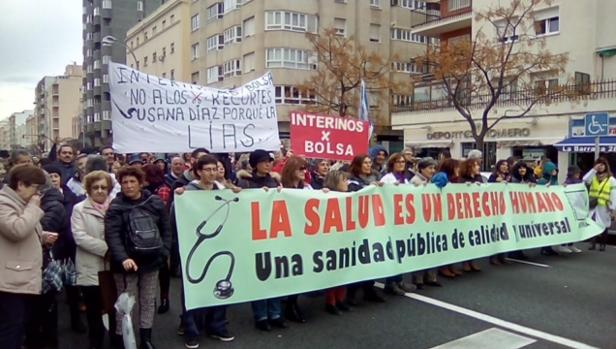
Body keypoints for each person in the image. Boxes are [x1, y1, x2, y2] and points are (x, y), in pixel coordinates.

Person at [105, 166, 172, 349]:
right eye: (124, 182)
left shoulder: (154, 202)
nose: (128, 186)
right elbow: (112, 235)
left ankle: (146, 339)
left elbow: (166, 229)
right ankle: (122, 340)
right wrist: (123, 258)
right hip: (127, 264)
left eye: (132, 181)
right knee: (126, 304)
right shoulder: (116, 207)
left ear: (141, 183)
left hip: (152, 260)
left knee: (148, 300)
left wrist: (164, 251)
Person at [173, 155, 236, 348]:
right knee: (194, 288)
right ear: (198, 171)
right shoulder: (187, 192)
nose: (212, 173)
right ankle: (192, 330)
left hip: (219, 246)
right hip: (195, 246)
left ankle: (217, 326)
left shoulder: (223, 191)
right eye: (207, 169)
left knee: (220, 285)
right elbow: (175, 220)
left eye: (214, 169)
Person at [237, 149, 286, 332]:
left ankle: (275, 313)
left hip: (274, 233)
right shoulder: (245, 182)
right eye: (264, 161)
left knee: (274, 275)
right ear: (255, 163)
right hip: (254, 236)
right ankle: (261, 315)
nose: (268, 164)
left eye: (270, 161)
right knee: (259, 276)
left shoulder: (274, 181)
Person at [0, 165, 48, 349]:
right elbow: (16, 229)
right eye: (36, 188)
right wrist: (34, 208)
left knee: (19, 326)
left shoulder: (20, 204)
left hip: (20, 276)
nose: (38, 194)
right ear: (20, 185)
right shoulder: (4, 202)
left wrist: (42, 237)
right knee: (11, 328)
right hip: (9, 280)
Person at [72, 171, 113, 349]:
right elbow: (79, 236)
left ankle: (117, 341)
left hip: (113, 267)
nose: (99, 191)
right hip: (90, 266)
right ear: (88, 189)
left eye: (104, 187)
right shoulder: (79, 209)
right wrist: (107, 249)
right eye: (95, 187)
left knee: (114, 308)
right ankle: (95, 342)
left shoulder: (116, 206)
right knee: (94, 310)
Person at [346, 155, 386, 303]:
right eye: (365, 163)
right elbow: (354, 193)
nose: (369, 165)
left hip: (372, 221)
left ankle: (369, 288)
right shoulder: (351, 179)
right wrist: (371, 188)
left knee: (370, 256)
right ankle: (351, 292)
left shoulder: (375, 178)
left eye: (370, 162)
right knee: (358, 257)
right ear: (358, 165)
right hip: (357, 222)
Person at [380, 153, 418, 295]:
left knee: (401, 252)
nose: (401, 164)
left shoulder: (405, 179)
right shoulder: (387, 178)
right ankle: (390, 283)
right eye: (398, 162)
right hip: (392, 221)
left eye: (403, 162)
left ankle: (399, 280)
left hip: (403, 220)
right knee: (393, 252)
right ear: (392, 164)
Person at [322, 170, 352, 315]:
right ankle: (331, 302)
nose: (347, 183)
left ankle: (341, 299)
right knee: (333, 271)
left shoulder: (350, 195)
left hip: (345, 238)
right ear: (335, 183)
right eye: (344, 180)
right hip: (331, 239)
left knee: (344, 270)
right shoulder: (325, 196)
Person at [410, 158, 443, 288]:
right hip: (419, 221)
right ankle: (418, 278)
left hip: (432, 219)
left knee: (432, 249)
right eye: (430, 168)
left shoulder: (432, 181)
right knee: (421, 249)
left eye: (434, 168)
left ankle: (431, 276)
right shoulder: (415, 181)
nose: (432, 171)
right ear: (421, 169)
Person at [435, 159, 464, 278]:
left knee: (451, 241)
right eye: (457, 167)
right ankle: (443, 267)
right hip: (442, 213)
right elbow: (436, 191)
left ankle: (450, 265)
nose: (459, 169)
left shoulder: (454, 178)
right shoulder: (442, 177)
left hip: (451, 213)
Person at [583, 158, 616, 251]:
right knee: (592, 224)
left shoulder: (611, 179)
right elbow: (585, 179)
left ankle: (602, 244)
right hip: (593, 205)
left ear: (606, 166)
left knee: (604, 225)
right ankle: (592, 243)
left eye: (603, 164)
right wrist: (593, 170)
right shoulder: (593, 177)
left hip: (604, 206)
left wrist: (613, 209)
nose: (601, 166)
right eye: (599, 164)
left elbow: (614, 195)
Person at [458, 159, 483, 271]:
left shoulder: (479, 178)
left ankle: (472, 261)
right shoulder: (462, 180)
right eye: (475, 165)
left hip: (476, 213)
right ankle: (465, 262)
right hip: (465, 214)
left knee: (474, 238)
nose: (478, 167)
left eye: (478, 165)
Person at [558, 166, 583, 254]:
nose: (578, 175)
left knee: (574, 227)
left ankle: (571, 244)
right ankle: (563, 245)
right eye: (577, 173)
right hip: (569, 207)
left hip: (576, 207)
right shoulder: (568, 182)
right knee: (568, 226)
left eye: (579, 173)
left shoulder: (579, 182)